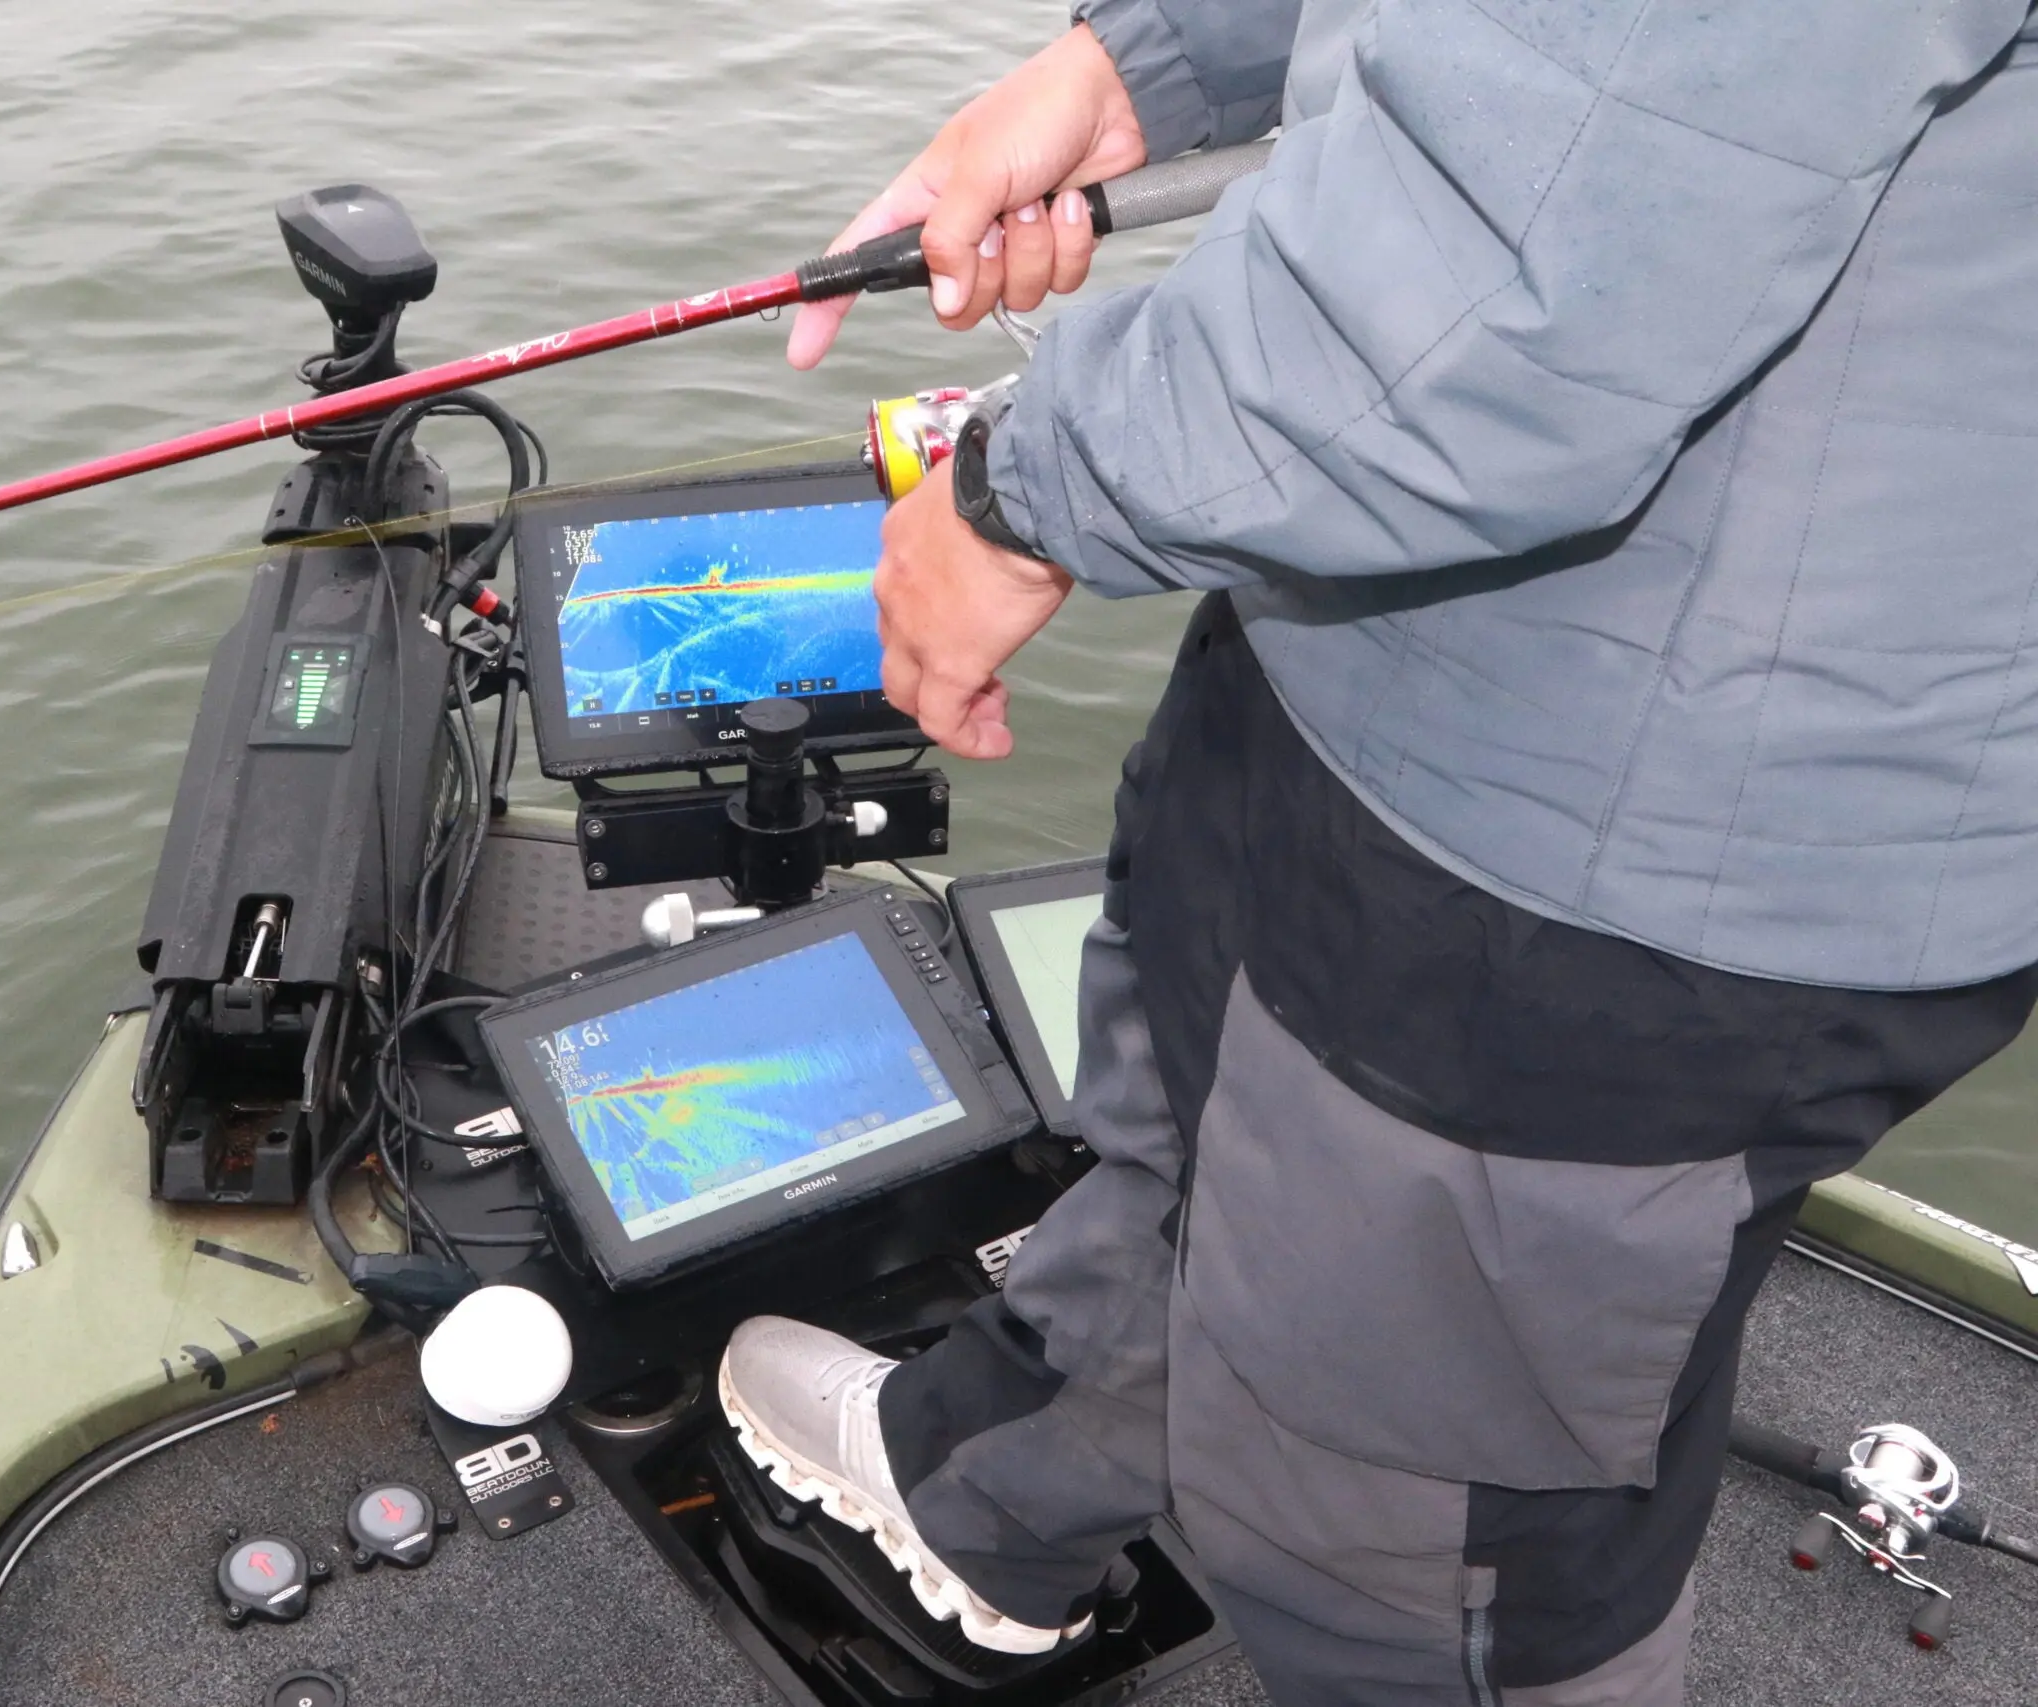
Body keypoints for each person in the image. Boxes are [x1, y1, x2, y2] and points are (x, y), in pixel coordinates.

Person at [716, 2, 2038, 1702]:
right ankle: (989, 1499)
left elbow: (1518, 276)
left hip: (1609, 841)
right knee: (1198, 1123)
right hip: (1403, 683)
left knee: (1423, 1538)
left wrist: (1012, 499)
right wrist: (1156, 64)